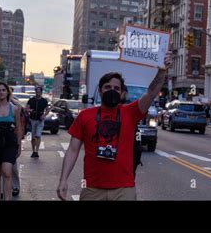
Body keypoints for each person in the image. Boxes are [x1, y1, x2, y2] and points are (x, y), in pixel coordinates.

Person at [57, 52, 171, 201]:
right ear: (100, 90)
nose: (112, 90)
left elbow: (150, 93)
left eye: (116, 88)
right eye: (107, 87)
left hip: (123, 189)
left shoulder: (131, 112)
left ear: (122, 93)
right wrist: (63, 179)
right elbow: (72, 150)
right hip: (92, 188)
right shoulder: (85, 116)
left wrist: (162, 71)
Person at [25, 87, 49, 158]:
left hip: (40, 120)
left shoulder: (44, 101)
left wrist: (44, 115)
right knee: (33, 137)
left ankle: (36, 151)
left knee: (38, 135)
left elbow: (47, 109)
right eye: (37, 92)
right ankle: (33, 151)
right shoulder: (31, 100)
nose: (38, 93)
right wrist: (29, 110)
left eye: (39, 92)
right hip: (32, 120)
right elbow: (27, 108)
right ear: (35, 92)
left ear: (41, 92)